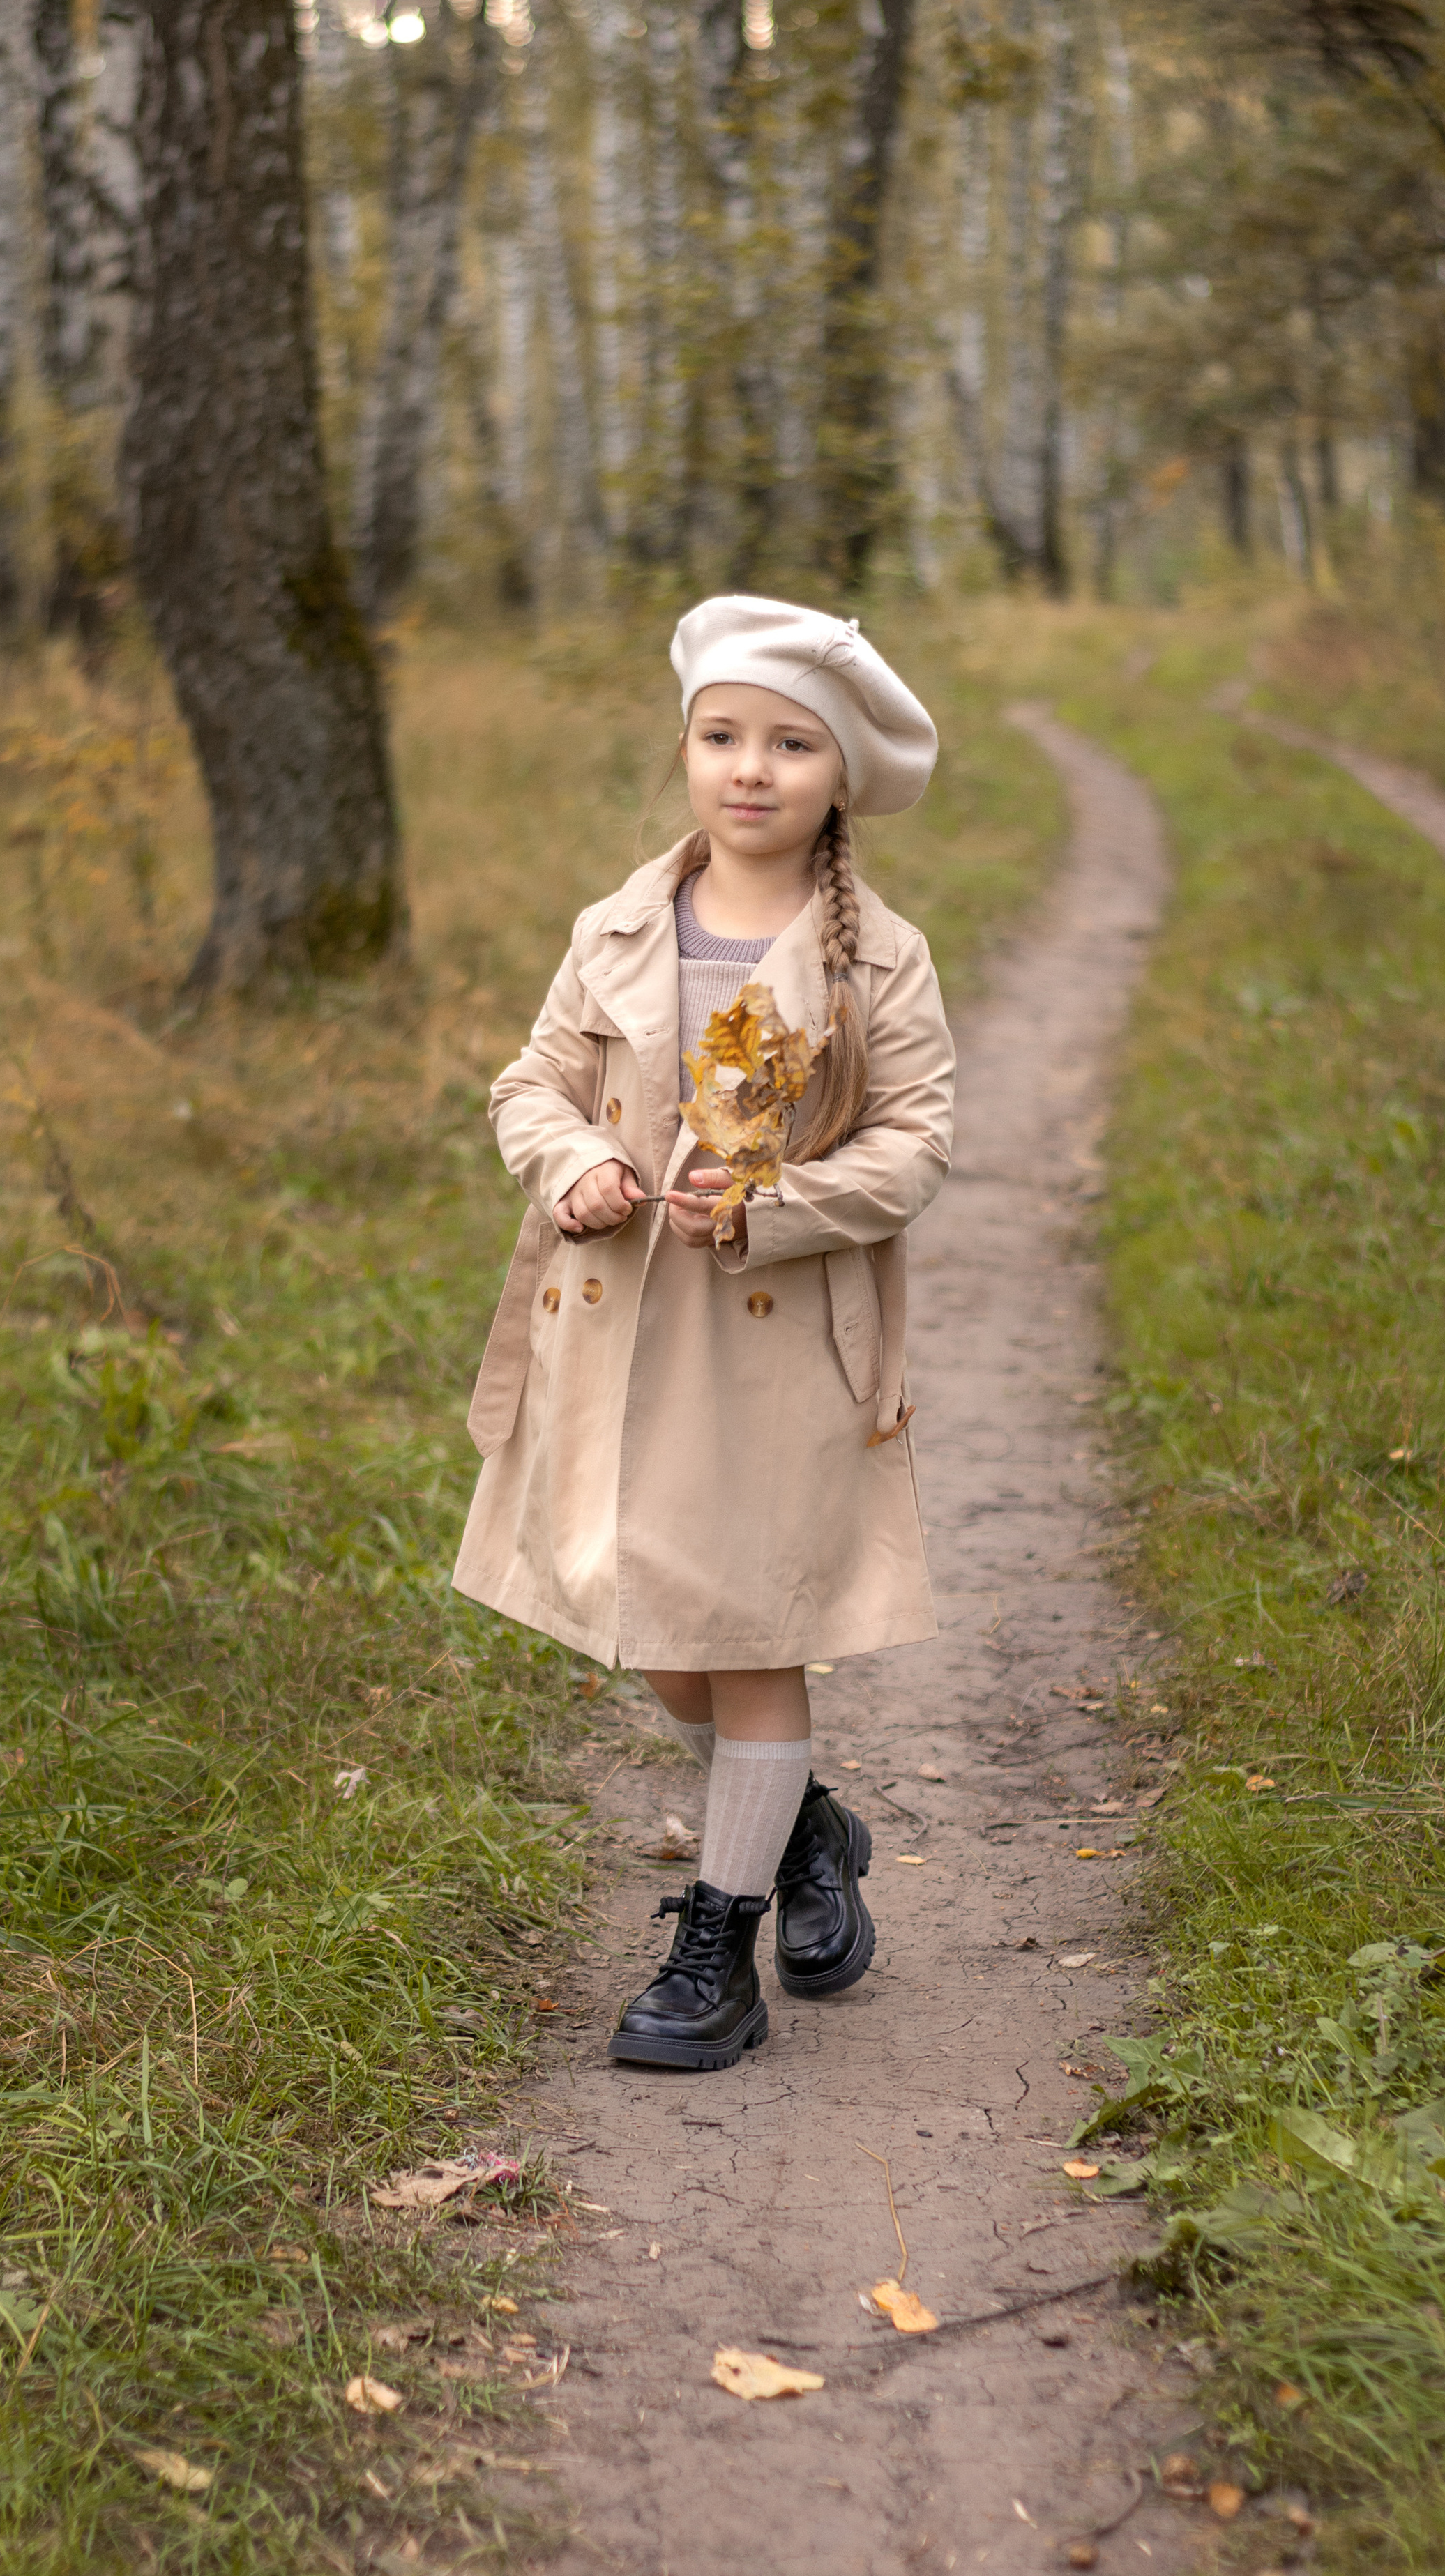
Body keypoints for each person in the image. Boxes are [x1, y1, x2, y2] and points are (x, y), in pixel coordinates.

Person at [453, 595, 955, 2071]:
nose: (751, 768)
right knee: (659, 1634)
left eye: (789, 744)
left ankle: (716, 1946)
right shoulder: (616, 926)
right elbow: (526, 1086)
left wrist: (770, 1204)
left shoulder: (878, 960)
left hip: (769, 1337)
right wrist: (573, 1165)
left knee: (747, 1634)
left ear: (837, 776)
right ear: (685, 751)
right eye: (721, 735)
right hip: (617, 1327)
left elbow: (918, 1145)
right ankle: (802, 1823)